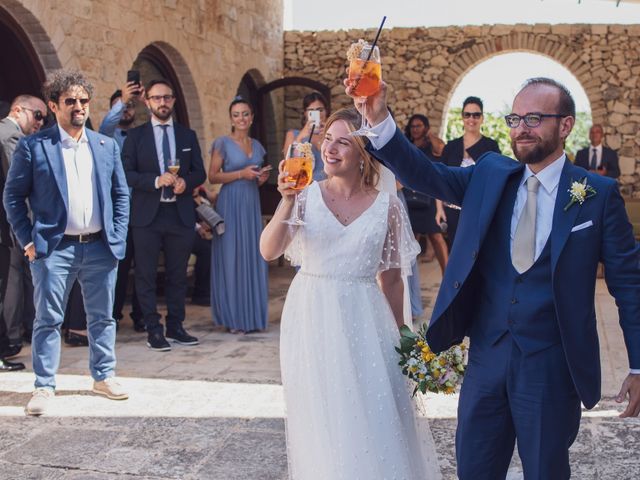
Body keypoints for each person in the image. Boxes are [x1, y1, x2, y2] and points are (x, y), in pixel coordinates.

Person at [346, 75, 640, 479]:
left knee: (545, 471)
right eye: (515, 118)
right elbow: (426, 175)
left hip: (550, 366)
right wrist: (379, 118)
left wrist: (638, 365)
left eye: (534, 118)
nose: (521, 128)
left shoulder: (598, 194)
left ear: (566, 125)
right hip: (486, 359)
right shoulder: (490, 174)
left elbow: (629, 286)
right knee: (475, 470)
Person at [260, 108, 441, 479]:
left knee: (371, 409)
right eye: (327, 139)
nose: (331, 148)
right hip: (311, 316)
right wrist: (287, 199)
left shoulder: (387, 206)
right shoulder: (305, 197)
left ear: (364, 153)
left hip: (365, 319)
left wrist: (403, 342)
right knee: (321, 414)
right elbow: (269, 250)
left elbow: (391, 280)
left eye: (344, 141)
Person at [3, 69, 131, 415]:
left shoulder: (106, 146)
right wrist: (28, 240)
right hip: (54, 248)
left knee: (102, 317)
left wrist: (117, 233)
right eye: (71, 101)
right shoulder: (34, 146)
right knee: (47, 318)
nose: (79, 107)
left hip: (101, 246)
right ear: (54, 105)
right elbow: (13, 197)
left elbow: (121, 194)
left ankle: (103, 376)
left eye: (84, 101)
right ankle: (44, 385)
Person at [122, 79, 206, 351]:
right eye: (156, 98)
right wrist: (155, 181)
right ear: (147, 102)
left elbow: (199, 172)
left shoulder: (187, 135)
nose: (162, 102)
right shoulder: (135, 137)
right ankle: (153, 329)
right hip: (147, 216)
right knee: (145, 275)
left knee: (177, 275)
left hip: (179, 214)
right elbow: (126, 174)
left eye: (167, 98)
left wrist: (186, 183)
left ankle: (176, 326)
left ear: (173, 101)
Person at [209, 96, 269, 334]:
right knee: (231, 257)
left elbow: (255, 177)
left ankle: (252, 316)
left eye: (245, 114)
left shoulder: (258, 146)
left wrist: (260, 178)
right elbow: (213, 176)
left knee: (252, 255)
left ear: (251, 117)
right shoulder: (222, 143)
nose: (241, 118)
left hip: (250, 203)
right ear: (231, 119)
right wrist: (240, 174)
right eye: (236, 115)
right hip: (230, 204)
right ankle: (233, 318)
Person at [0, 95, 46, 355]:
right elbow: (17, 186)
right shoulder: (11, 136)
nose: (40, 122)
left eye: (44, 117)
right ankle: (12, 338)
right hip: (11, 224)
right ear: (17, 110)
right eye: (37, 115)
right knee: (13, 278)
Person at [100, 82, 145, 331]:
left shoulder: (141, 136)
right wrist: (122, 100)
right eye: (121, 107)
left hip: (141, 211)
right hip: (116, 214)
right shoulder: (105, 137)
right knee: (118, 266)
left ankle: (141, 316)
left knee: (143, 267)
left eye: (129, 106)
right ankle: (114, 314)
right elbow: (107, 124)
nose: (126, 110)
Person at [434, 97, 501, 249]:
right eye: (467, 114)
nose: (471, 119)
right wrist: (439, 209)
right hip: (452, 212)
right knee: (456, 251)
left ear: (482, 118)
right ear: (462, 117)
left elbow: (496, 179)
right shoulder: (451, 147)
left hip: (480, 211)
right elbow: (440, 178)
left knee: (480, 252)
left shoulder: (491, 146)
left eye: (476, 115)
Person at [404, 114, 448, 274]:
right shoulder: (407, 145)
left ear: (426, 127)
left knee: (436, 236)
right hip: (410, 195)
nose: (415, 129)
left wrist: (430, 135)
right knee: (410, 239)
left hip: (428, 195)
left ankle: (447, 276)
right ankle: (410, 278)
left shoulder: (431, 146)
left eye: (419, 126)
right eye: (413, 126)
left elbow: (442, 149)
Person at [282, 91, 329, 181]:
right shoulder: (293, 134)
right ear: (305, 113)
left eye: (320, 110)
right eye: (311, 111)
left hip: (330, 188)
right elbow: (289, 165)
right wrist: (300, 137)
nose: (317, 114)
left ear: (326, 111)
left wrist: (331, 133)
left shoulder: (333, 133)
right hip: (305, 188)